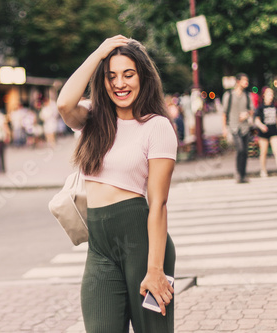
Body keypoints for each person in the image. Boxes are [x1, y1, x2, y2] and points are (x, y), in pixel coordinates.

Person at [57, 35, 176, 333]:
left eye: (128, 74)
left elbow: (158, 203)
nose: (119, 84)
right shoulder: (94, 118)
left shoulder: (156, 127)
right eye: (111, 76)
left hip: (143, 245)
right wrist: (98, 53)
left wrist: (155, 269)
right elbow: (63, 103)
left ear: (143, 77)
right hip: (100, 248)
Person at [222, 73, 254, 183]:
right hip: (234, 127)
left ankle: (243, 174)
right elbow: (224, 113)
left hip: (245, 127)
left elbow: (251, 111)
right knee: (240, 149)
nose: (247, 83)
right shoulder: (229, 95)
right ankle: (238, 172)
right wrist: (224, 129)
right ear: (238, 81)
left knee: (245, 151)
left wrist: (247, 114)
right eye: (245, 80)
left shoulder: (247, 96)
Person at [254, 87, 277, 180]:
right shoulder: (260, 108)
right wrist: (261, 126)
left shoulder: (275, 106)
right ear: (264, 95)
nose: (270, 96)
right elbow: (256, 120)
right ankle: (263, 170)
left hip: (273, 131)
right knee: (263, 152)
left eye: (272, 94)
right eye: (268, 94)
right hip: (263, 132)